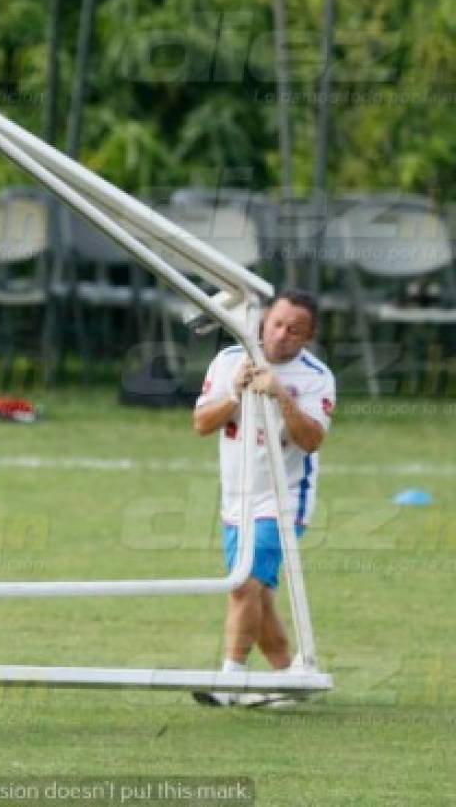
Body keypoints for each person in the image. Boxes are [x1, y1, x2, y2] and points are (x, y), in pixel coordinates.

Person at [191, 289, 335, 708]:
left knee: (244, 585)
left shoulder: (317, 376)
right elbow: (201, 423)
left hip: (284, 497)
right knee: (259, 597)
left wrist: (281, 395)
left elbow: (311, 440)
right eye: (277, 323)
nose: (281, 335)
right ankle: (289, 676)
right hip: (236, 499)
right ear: (263, 320)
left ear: (309, 336)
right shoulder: (227, 360)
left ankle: (229, 680)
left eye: (294, 330)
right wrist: (234, 393)